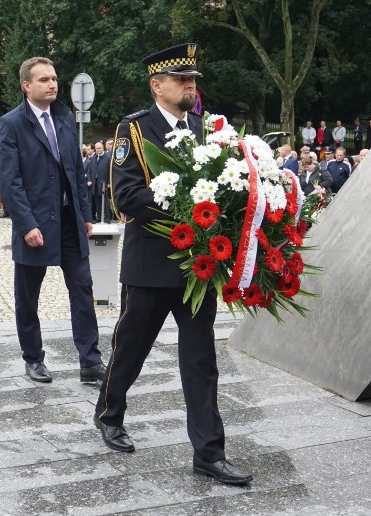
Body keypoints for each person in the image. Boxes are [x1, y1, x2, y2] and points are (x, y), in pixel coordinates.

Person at [93, 43, 252, 485]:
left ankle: (209, 452)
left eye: (193, 79)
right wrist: (189, 212)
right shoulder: (135, 131)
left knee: (201, 358)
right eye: (182, 79)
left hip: (198, 267)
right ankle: (109, 413)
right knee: (131, 348)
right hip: (150, 264)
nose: (190, 85)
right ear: (156, 85)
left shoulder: (207, 130)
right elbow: (125, 195)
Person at [0, 56, 105, 385]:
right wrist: (27, 224)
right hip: (36, 224)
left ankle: (90, 361)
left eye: (55, 78)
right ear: (26, 85)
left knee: (83, 290)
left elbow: (76, 171)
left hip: (70, 222)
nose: (53, 84)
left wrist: (86, 215)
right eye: (44, 79)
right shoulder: (12, 123)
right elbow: (9, 180)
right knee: (28, 296)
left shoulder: (64, 118)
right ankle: (33, 358)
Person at [86, 141, 111, 223]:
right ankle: (99, 216)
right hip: (94, 183)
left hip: (104, 183)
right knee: (97, 201)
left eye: (99, 148)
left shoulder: (107, 157)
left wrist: (109, 182)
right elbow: (89, 170)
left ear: (103, 148)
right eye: (96, 148)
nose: (98, 150)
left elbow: (110, 171)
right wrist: (89, 180)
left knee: (105, 201)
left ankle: (107, 217)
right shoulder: (93, 158)